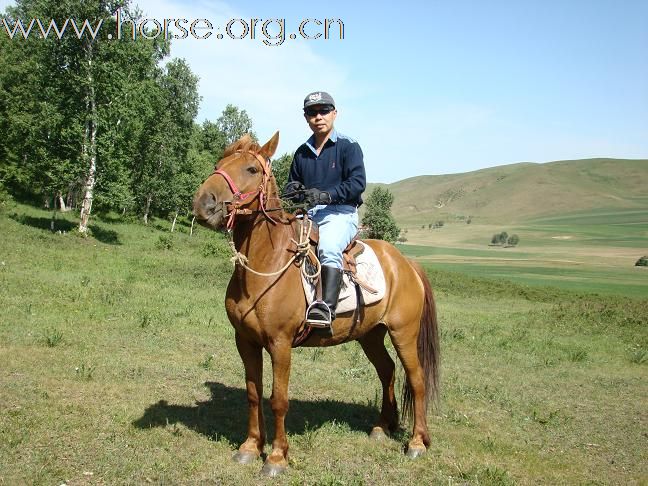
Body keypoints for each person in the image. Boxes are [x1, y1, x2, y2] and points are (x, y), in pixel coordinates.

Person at [284, 91, 366, 331]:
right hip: (309, 215)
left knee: (328, 247)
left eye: (324, 111)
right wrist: (294, 191)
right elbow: (292, 185)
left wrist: (327, 195)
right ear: (305, 117)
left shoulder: (348, 147)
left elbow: (357, 183)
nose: (318, 116)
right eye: (312, 112)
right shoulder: (301, 152)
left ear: (335, 113)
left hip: (341, 213)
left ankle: (325, 308)